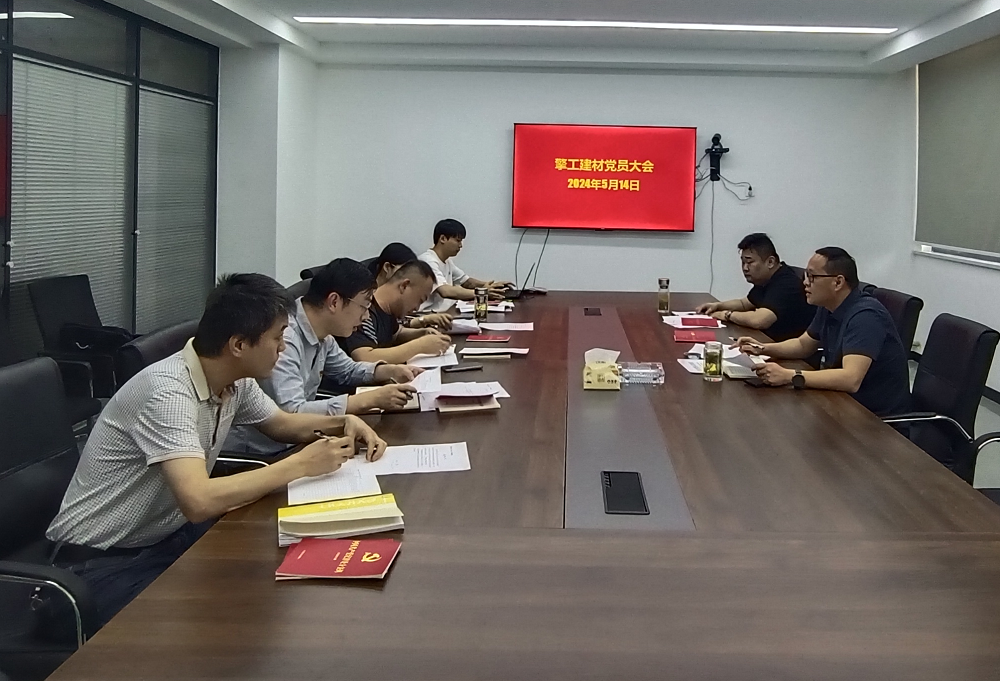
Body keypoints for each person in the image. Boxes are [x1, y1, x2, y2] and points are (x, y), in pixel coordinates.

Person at [46, 273, 387, 627]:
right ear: (238, 344)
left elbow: (281, 423)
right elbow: (199, 500)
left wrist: (343, 421)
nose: (283, 348)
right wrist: (300, 464)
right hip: (96, 566)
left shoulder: (234, 381)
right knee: (226, 617)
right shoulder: (168, 394)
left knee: (269, 579)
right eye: (277, 338)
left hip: (166, 538)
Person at [226, 258, 420, 455]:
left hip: (302, 440)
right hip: (263, 454)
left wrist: (387, 370)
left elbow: (347, 370)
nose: (366, 316)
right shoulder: (285, 338)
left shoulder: (322, 334)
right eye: (364, 306)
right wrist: (366, 400)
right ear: (334, 302)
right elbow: (292, 413)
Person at [733, 247, 910, 417]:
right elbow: (802, 345)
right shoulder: (829, 307)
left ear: (838, 282)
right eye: (805, 276)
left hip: (875, 419)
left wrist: (789, 376)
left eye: (812, 277)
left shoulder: (866, 316)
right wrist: (762, 348)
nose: (805, 282)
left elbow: (851, 379)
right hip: (842, 403)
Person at [696, 233, 814, 342]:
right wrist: (718, 306)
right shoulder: (766, 279)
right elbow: (744, 304)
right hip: (768, 342)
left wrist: (727, 315)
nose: (745, 268)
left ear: (770, 262)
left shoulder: (787, 283)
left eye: (750, 262)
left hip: (788, 350)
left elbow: (760, 320)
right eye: (743, 262)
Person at [340, 260, 453, 364]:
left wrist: (423, 333)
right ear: (404, 286)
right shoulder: (364, 309)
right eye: (420, 300)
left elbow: (396, 334)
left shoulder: (389, 310)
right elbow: (364, 357)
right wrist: (420, 346)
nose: (417, 308)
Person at [418, 218, 512, 312]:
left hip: (446, 312)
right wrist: (482, 292)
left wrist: (491, 286)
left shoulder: (447, 262)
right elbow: (445, 291)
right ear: (443, 239)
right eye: (458, 240)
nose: (461, 245)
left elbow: (466, 282)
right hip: (428, 315)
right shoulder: (428, 261)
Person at [368, 242, 452, 330]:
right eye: (404, 269)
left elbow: (395, 327)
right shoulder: (365, 299)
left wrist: (423, 320)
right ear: (387, 267)